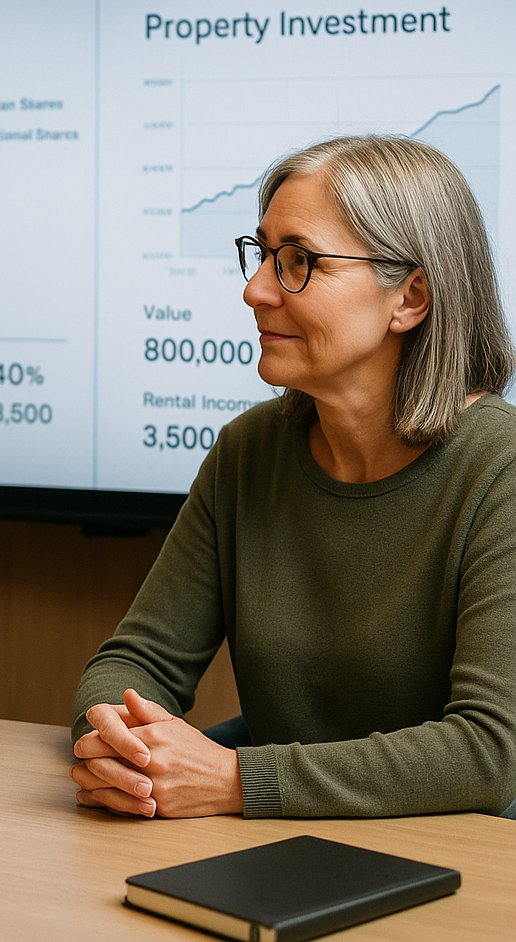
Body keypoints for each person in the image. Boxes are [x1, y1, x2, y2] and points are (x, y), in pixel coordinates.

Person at [71, 135, 516, 819]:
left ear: (411, 298)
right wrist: (124, 748)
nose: (254, 290)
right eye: (263, 256)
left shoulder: (502, 469)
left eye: (299, 262)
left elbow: (488, 752)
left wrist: (234, 781)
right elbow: (138, 662)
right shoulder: (249, 451)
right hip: (283, 850)